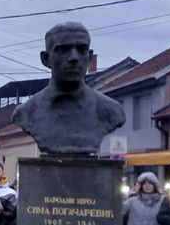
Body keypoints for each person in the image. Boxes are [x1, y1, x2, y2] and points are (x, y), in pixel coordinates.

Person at [11, 22, 126, 154]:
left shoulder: (111, 111)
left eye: (81, 49)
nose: (73, 58)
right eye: (62, 50)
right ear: (45, 59)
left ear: (89, 56)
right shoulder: (26, 113)